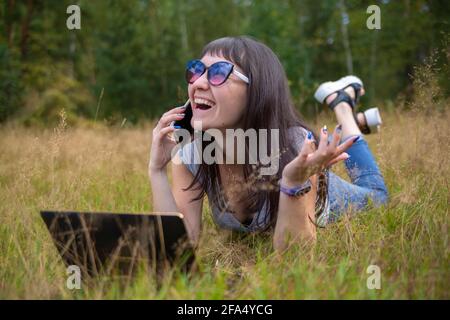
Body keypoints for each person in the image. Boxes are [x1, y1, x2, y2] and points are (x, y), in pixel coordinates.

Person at [148, 36, 388, 252]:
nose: (198, 83)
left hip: (340, 198)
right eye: (196, 70)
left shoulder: (293, 147)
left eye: (219, 73)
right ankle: (353, 118)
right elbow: (181, 245)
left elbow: (296, 257)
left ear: (257, 91)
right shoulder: (192, 154)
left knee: (377, 196)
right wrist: (157, 170)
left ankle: (343, 106)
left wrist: (294, 182)